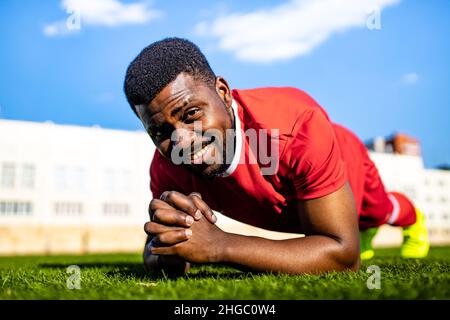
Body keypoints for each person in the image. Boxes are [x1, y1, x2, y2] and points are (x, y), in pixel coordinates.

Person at [123, 37, 429, 275]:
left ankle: (411, 217)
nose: (182, 141)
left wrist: (221, 245)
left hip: (344, 154)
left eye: (191, 114)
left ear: (223, 92)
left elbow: (342, 255)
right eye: (161, 132)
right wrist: (169, 251)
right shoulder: (166, 166)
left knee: (375, 213)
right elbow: (161, 249)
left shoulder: (298, 126)